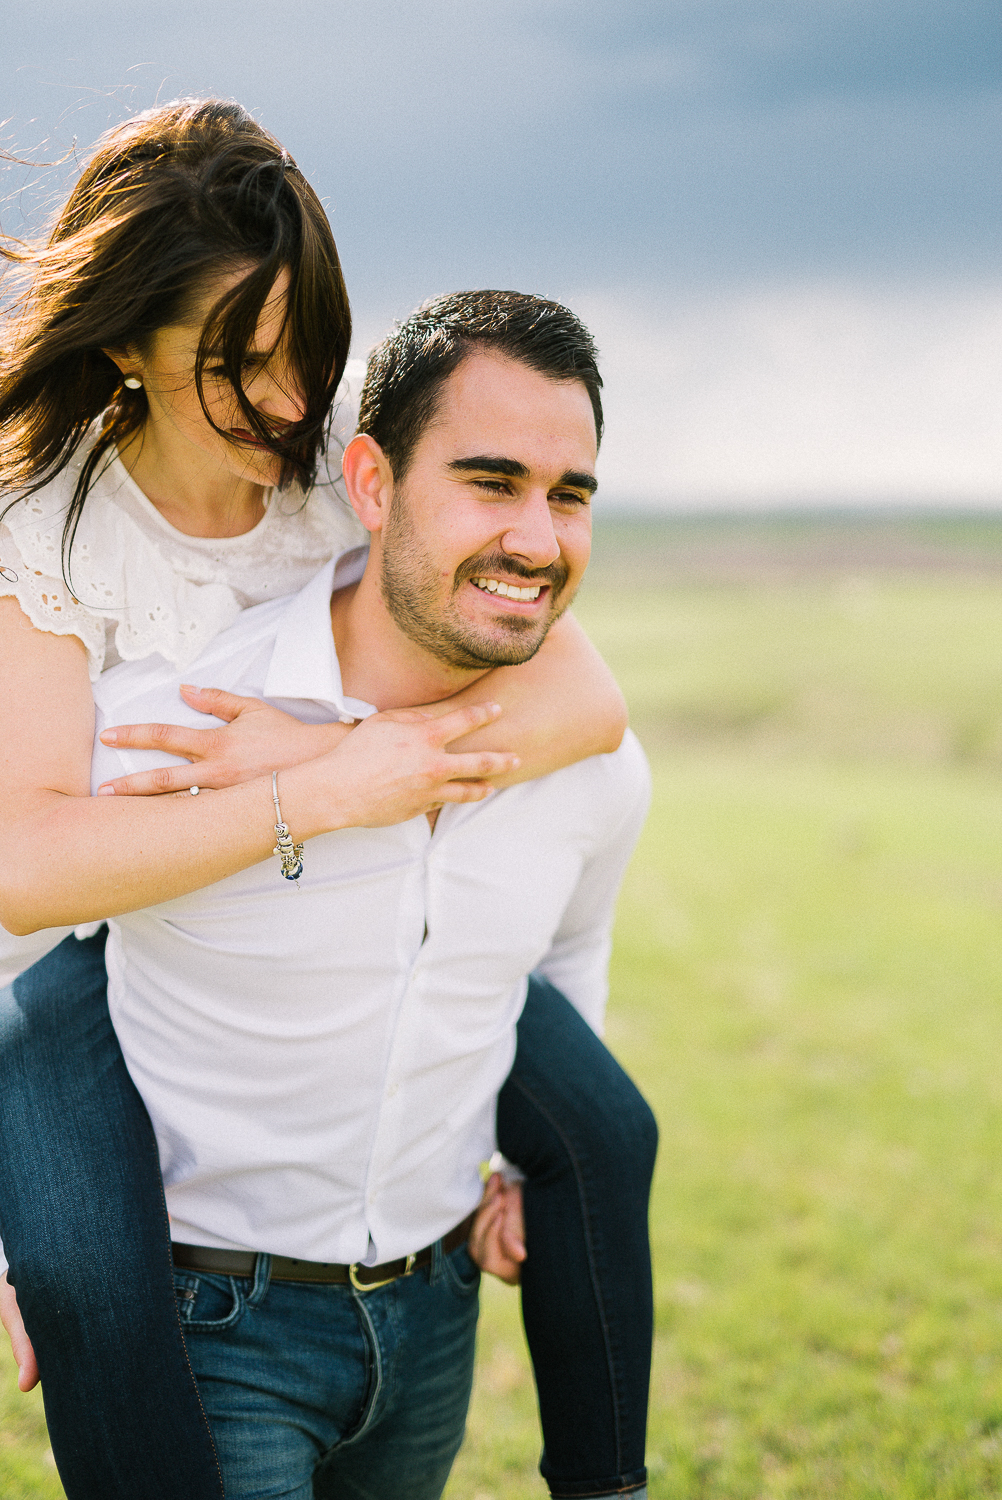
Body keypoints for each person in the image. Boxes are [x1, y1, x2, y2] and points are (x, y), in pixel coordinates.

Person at [0, 100, 653, 1500]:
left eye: (308, 349)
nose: (289, 401)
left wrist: (356, 767)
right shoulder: (45, 527)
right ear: (124, 346)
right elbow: (25, 868)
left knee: (604, 1130)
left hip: (343, 917)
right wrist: (320, 790)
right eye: (235, 366)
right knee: (80, 1278)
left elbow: (587, 705)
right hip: (73, 962)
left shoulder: (326, 454)